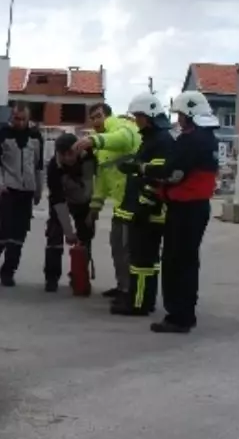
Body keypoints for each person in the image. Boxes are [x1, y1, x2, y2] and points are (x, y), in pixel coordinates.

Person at [145, 91, 220, 333]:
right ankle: (186, 311)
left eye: (180, 115)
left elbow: (173, 171)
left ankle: (178, 316)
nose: (178, 120)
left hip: (184, 208)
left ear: (189, 114)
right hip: (198, 207)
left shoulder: (191, 140)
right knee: (188, 261)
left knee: (175, 261)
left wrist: (147, 171)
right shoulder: (209, 138)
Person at [110, 92, 174, 317]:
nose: (136, 120)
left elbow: (157, 177)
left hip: (150, 212)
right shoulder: (153, 139)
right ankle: (140, 299)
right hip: (146, 209)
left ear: (149, 116)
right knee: (142, 260)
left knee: (142, 261)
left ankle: (138, 304)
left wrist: (144, 207)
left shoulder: (161, 141)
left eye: (138, 116)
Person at [74, 102, 140, 301]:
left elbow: (125, 139)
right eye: (92, 118)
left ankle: (132, 290)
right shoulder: (102, 147)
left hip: (136, 201)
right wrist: (95, 207)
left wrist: (96, 140)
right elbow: (101, 179)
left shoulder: (121, 126)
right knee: (117, 246)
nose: (95, 121)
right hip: (122, 204)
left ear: (108, 116)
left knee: (129, 248)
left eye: (98, 116)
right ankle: (123, 286)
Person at [0, 104, 44, 287]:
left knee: (19, 235)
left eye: (24, 119)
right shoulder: (1, 135)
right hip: (7, 190)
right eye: (17, 118)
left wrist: (39, 189)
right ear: (11, 117)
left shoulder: (36, 137)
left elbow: (38, 165)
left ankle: (8, 272)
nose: (21, 122)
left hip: (27, 192)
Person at [43, 133, 96, 292]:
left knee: (85, 237)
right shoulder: (54, 166)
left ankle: (78, 275)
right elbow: (57, 199)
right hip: (62, 200)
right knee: (54, 235)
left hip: (84, 201)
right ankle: (51, 278)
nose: (67, 158)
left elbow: (95, 184)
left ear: (78, 150)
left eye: (71, 153)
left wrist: (93, 209)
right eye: (63, 154)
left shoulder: (90, 158)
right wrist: (68, 230)